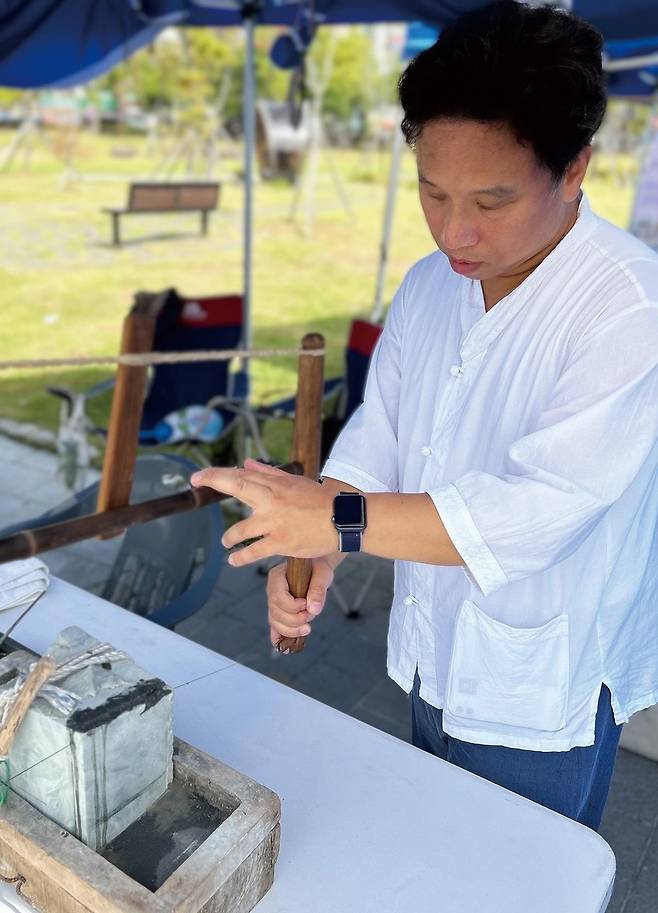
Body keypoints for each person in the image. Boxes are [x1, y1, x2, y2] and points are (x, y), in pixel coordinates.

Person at [191, 0, 658, 830]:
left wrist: (331, 518)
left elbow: (533, 514)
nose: (454, 229)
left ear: (576, 167)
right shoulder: (428, 282)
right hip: (431, 650)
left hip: (541, 680)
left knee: (516, 878)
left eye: (491, 199)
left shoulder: (627, 305)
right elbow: (383, 436)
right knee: (430, 850)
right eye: (431, 192)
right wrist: (320, 542)